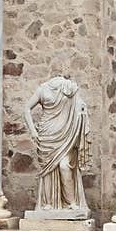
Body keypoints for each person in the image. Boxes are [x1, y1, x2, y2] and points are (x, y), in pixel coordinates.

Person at [23, 76, 90, 211]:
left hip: (65, 135)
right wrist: (33, 131)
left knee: (65, 166)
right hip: (46, 134)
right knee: (48, 169)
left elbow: (80, 106)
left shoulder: (70, 88)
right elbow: (26, 108)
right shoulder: (42, 89)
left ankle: (71, 201)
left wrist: (82, 111)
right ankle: (48, 203)